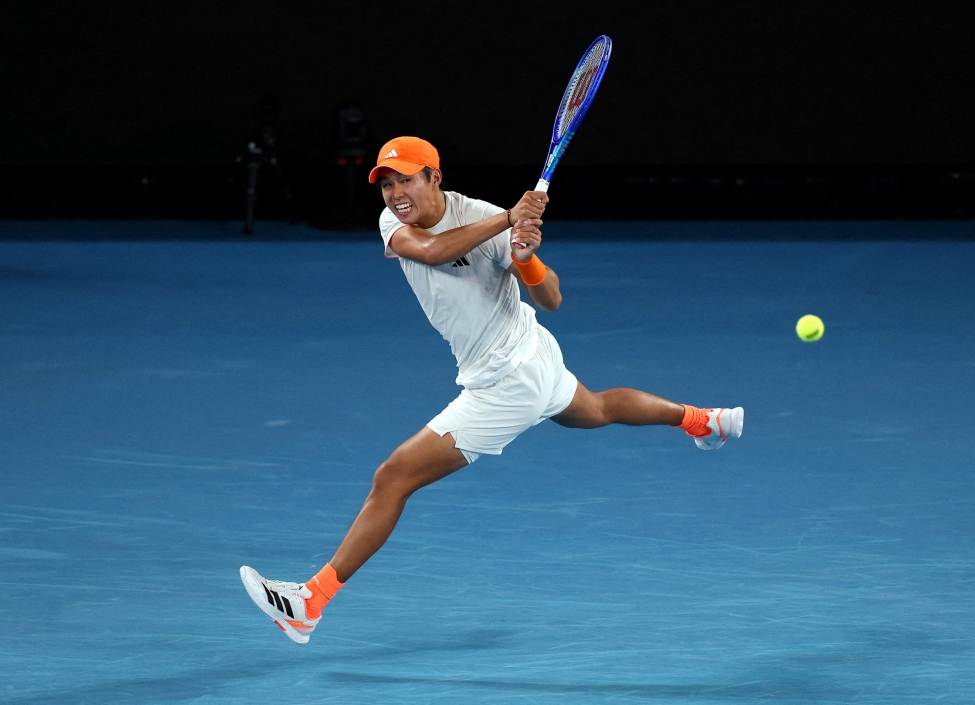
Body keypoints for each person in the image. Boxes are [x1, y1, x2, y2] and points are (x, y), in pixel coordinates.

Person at [240, 136, 743, 644]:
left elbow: (552, 299)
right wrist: (508, 219)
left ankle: (309, 603)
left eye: (406, 180)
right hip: (532, 359)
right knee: (594, 409)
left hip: (509, 380)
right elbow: (434, 251)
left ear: (435, 177)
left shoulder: (480, 216)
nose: (394, 194)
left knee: (392, 478)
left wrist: (524, 259)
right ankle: (704, 420)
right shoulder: (397, 222)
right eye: (387, 184)